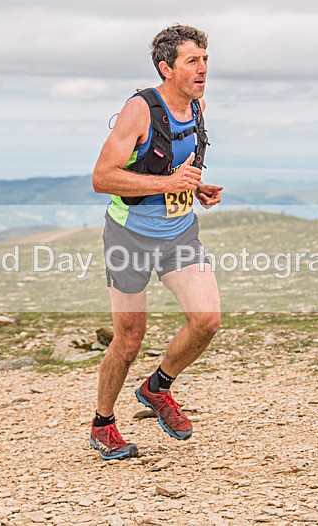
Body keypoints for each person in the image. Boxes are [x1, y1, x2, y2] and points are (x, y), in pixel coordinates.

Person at [89, 25, 223, 460]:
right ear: (167, 69)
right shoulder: (140, 110)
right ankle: (103, 424)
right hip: (129, 237)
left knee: (207, 320)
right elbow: (102, 177)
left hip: (179, 232)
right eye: (192, 61)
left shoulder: (196, 105)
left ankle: (157, 387)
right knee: (128, 340)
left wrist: (195, 189)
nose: (203, 68)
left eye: (204, 59)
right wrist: (167, 185)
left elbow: (174, 165)